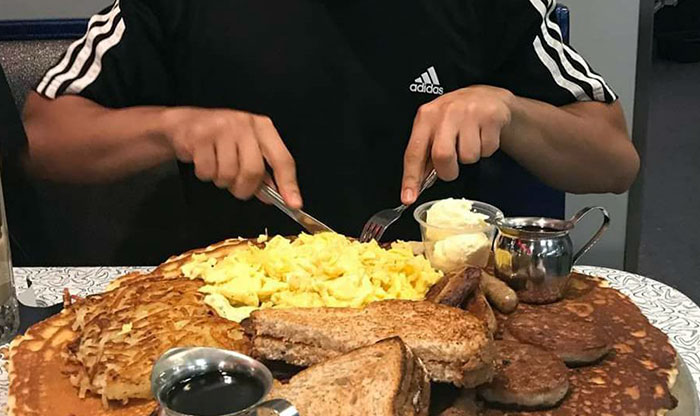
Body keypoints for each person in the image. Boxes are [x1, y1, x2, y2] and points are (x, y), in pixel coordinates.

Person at [23, 0, 639, 259]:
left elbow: (614, 162)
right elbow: (42, 136)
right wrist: (171, 127)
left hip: (438, 312)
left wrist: (511, 110)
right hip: (232, 321)